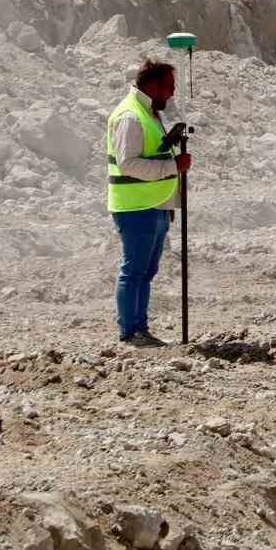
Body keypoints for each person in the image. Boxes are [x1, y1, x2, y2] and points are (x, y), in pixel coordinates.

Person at [106, 59, 192, 347]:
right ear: (153, 86)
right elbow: (128, 163)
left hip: (154, 204)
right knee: (134, 270)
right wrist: (173, 167)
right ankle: (130, 332)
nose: (171, 93)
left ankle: (140, 329)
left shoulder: (148, 112)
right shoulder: (130, 116)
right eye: (168, 87)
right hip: (136, 206)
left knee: (146, 271)